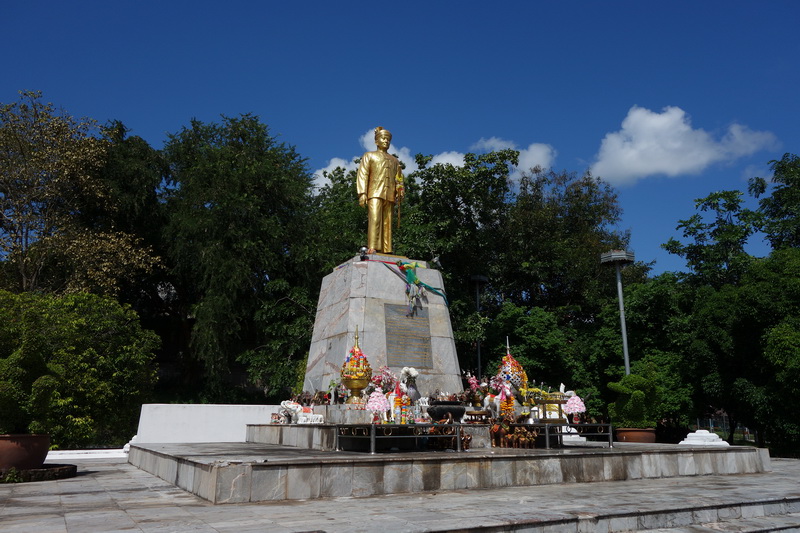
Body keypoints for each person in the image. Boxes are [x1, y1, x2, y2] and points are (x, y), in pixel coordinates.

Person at [357, 127, 404, 253]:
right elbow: (363, 174)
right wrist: (362, 193)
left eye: (388, 139)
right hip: (375, 192)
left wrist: (400, 190)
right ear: (376, 141)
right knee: (375, 219)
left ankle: (387, 249)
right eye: (383, 138)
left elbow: (399, 179)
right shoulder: (369, 156)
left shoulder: (395, 160)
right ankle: (373, 246)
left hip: (390, 194)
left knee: (387, 222)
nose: (386, 141)